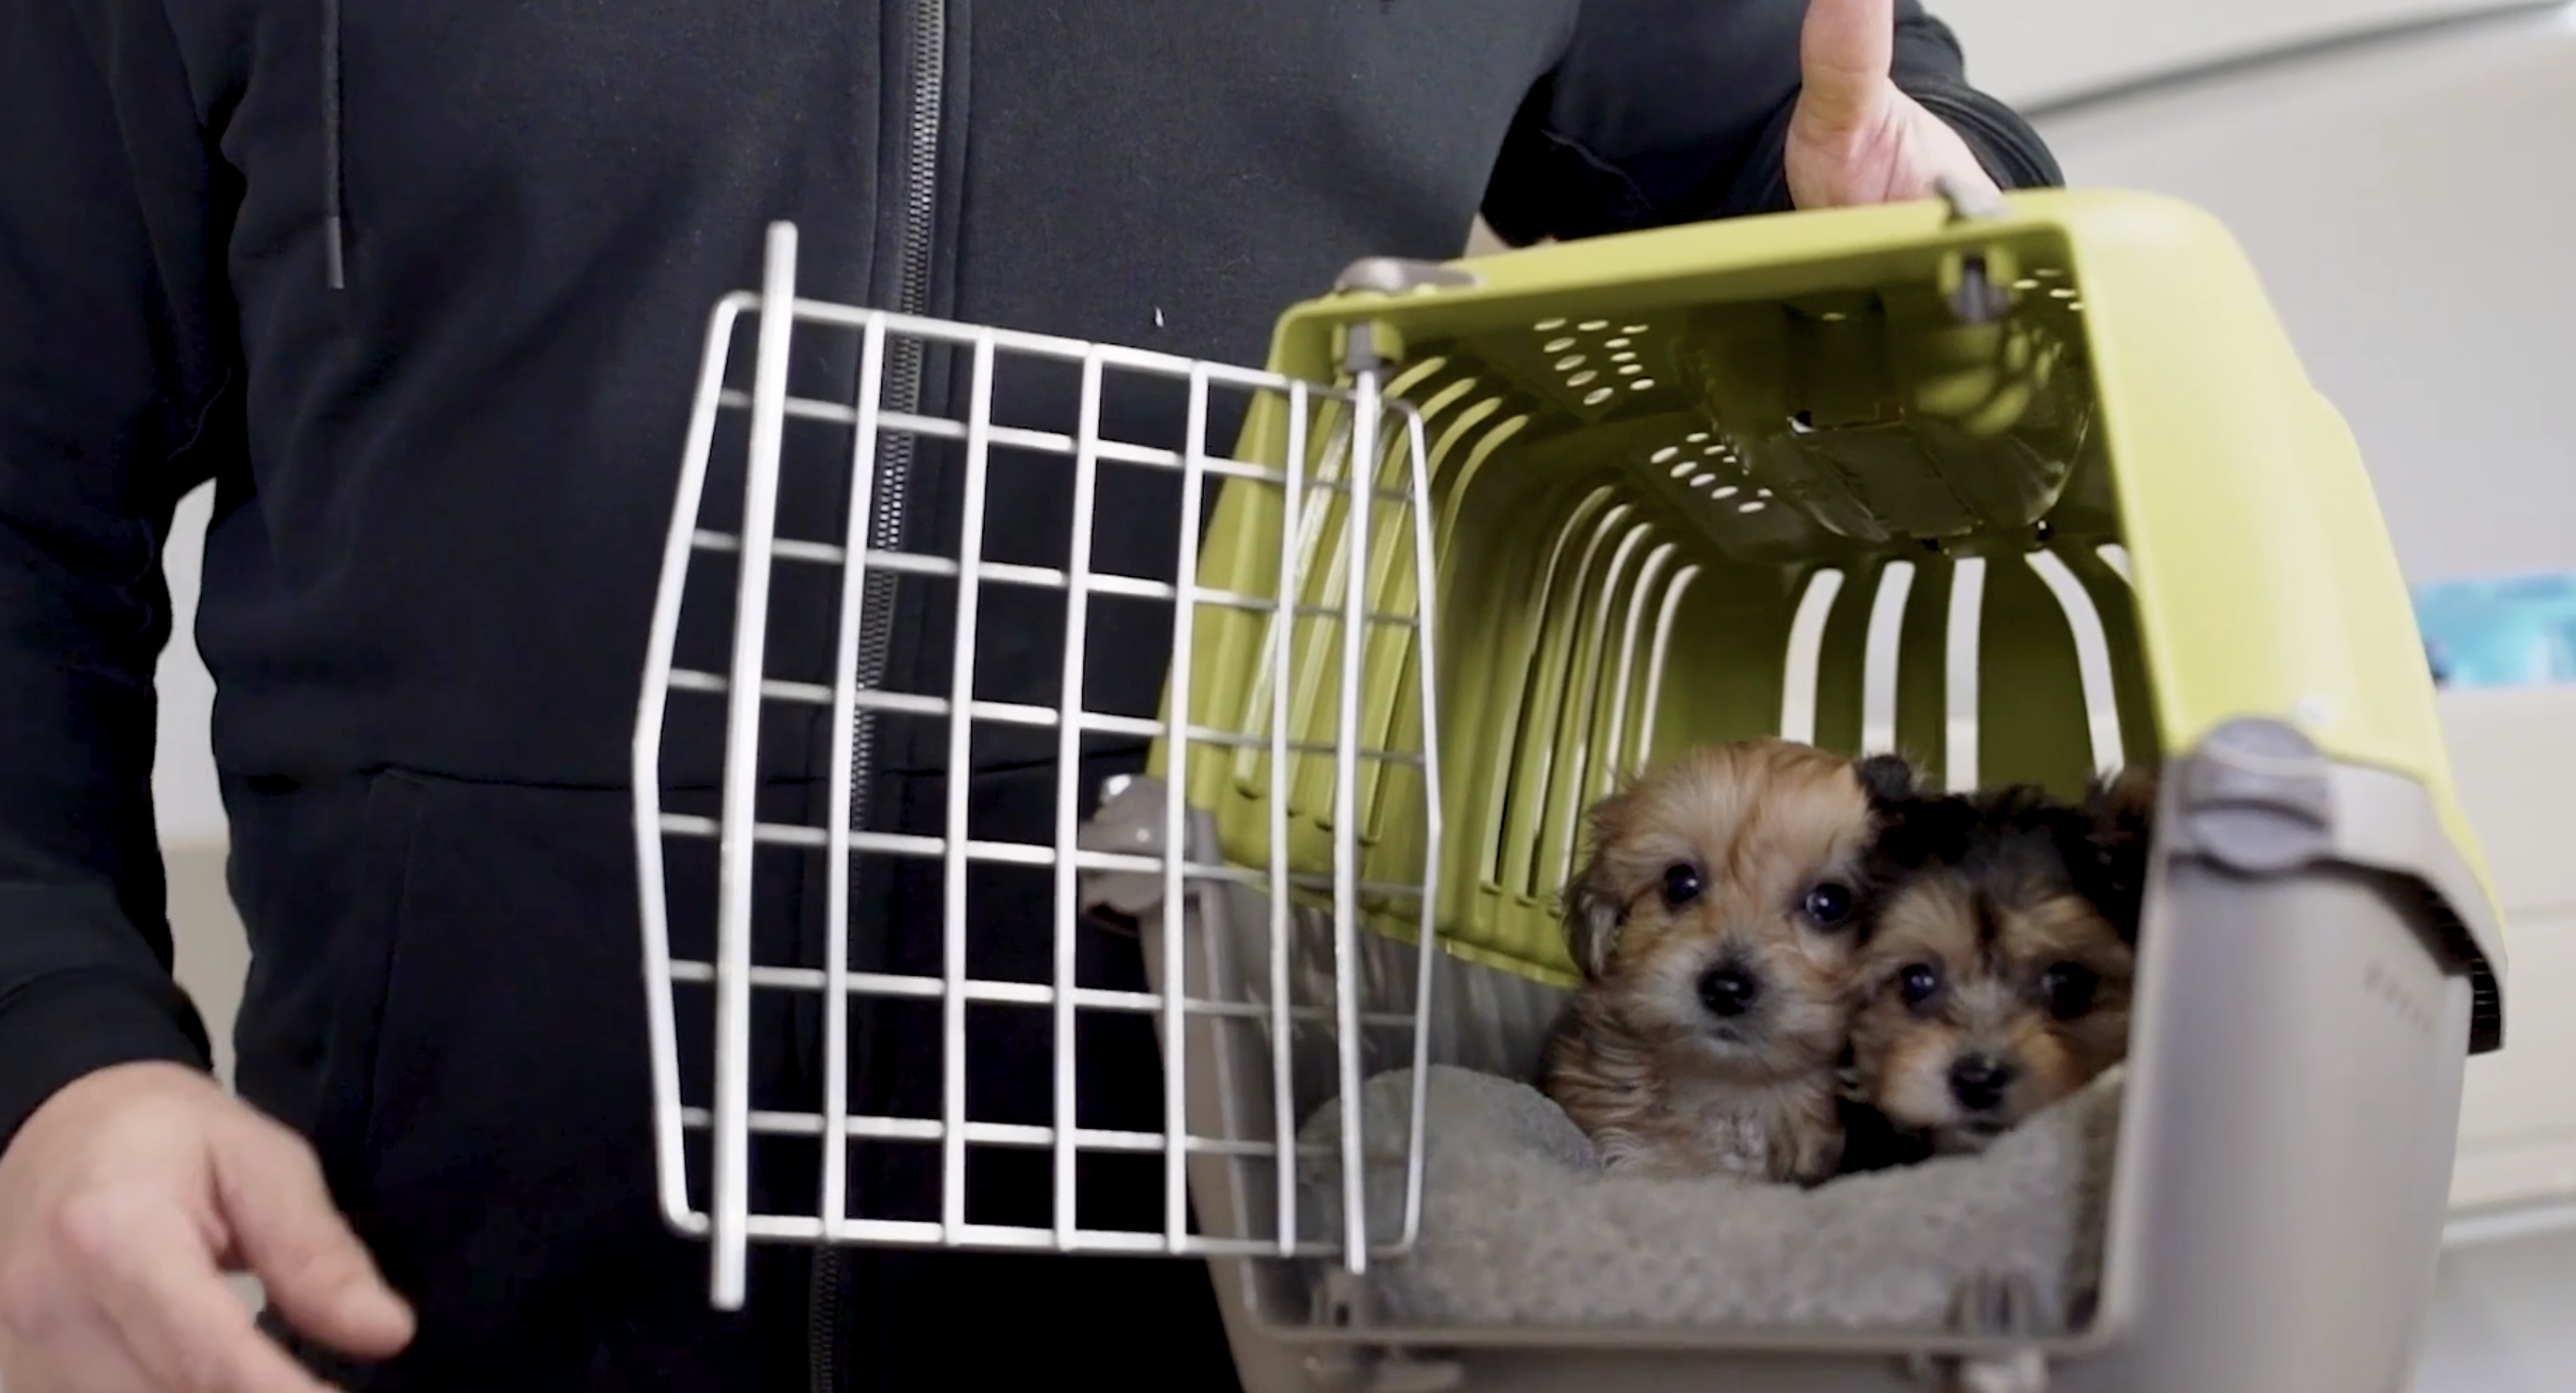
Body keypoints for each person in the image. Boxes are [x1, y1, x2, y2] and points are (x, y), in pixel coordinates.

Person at [0, 0, 2062, 1389]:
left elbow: (1866, 184)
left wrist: (1934, 243)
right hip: (429, 1295)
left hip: (1237, 1285)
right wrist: (47, 1064)